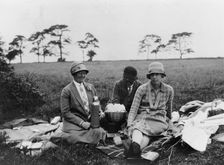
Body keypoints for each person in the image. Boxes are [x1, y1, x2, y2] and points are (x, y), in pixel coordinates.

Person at [126, 62, 174, 158]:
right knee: (138, 128)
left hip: (158, 119)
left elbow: (169, 109)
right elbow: (133, 109)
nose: (154, 77)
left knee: (144, 130)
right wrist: (129, 125)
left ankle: (134, 149)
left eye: (157, 74)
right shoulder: (141, 89)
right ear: (149, 76)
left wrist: (170, 121)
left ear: (162, 76)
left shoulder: (169, 90)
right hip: (143, 117)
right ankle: (136, 147)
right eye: (152, 74)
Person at [60, 61, 106, 144]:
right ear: (74, 74)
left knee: (100, 132)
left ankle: (87, 140)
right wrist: (81, 123)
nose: (83, 76)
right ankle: (63, 137)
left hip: (89, 120)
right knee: (74, 137)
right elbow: (65, 112)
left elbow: (96, 101)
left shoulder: (90, 87)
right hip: (74, 122)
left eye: (84, 73)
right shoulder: (67, 90)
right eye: (79, 73)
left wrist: (100, 111)